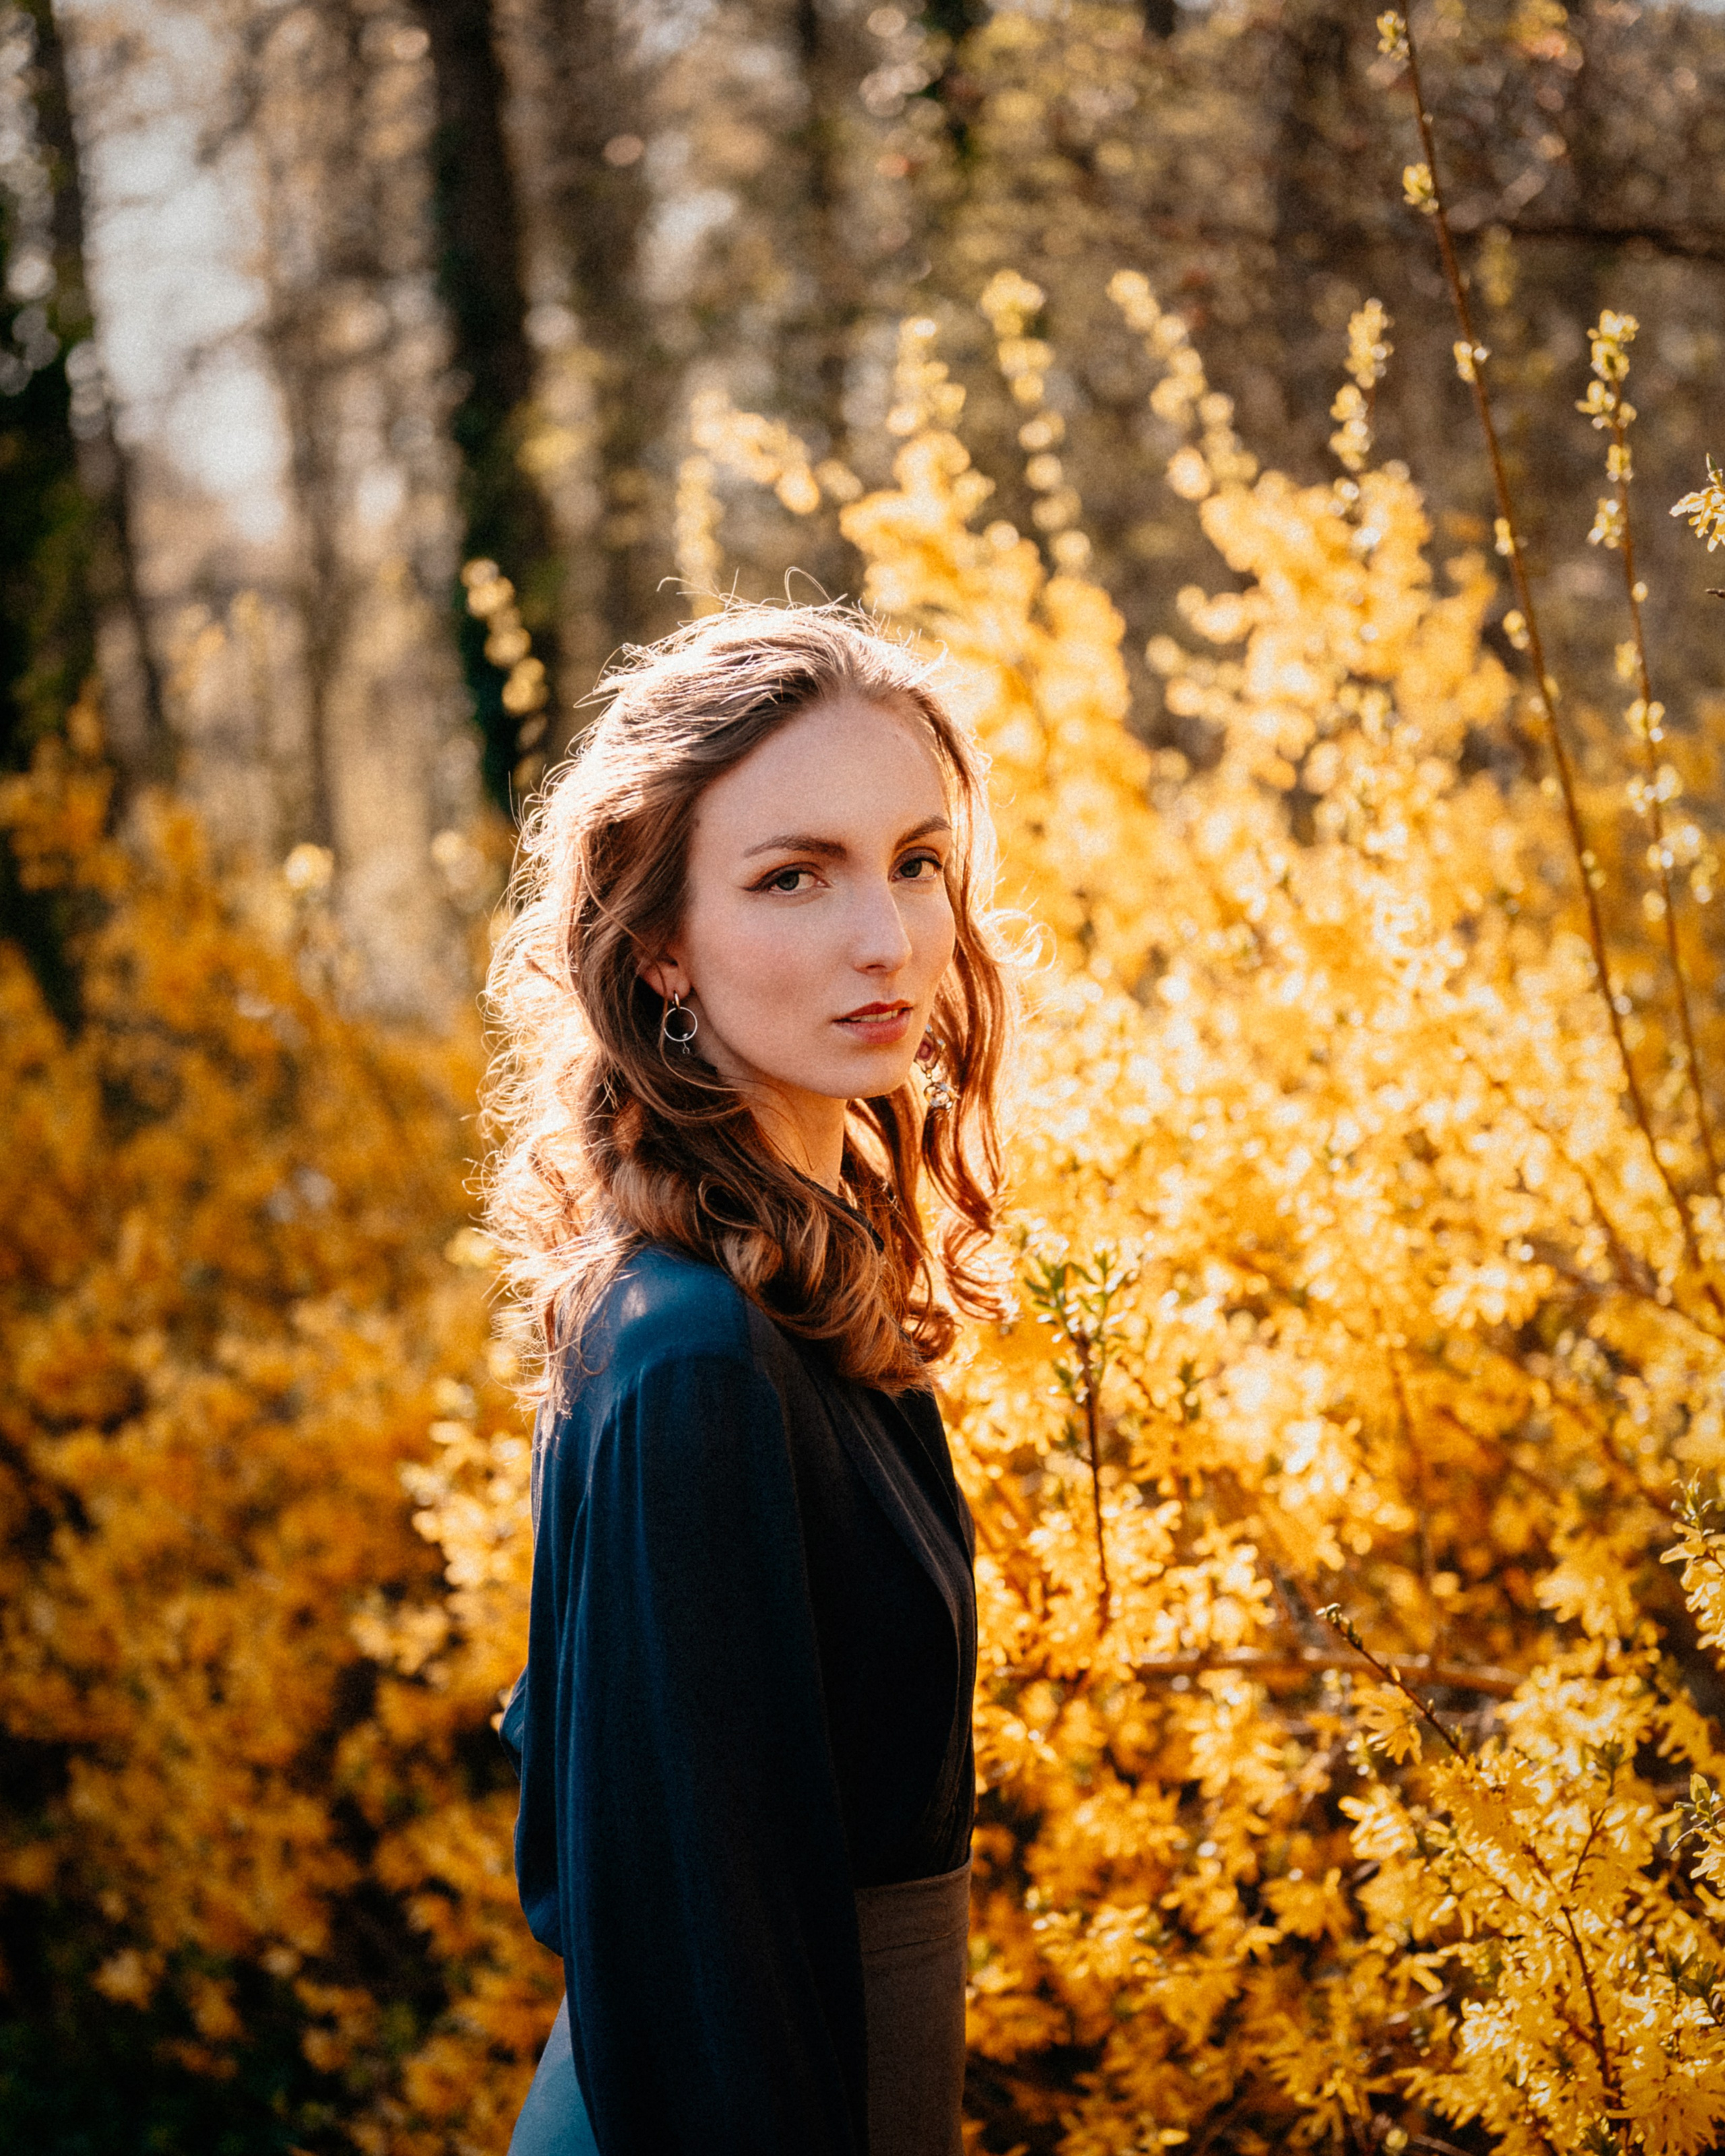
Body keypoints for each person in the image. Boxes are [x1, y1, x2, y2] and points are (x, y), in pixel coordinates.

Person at [484, 602, 1015, 2156]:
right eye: (794, 875)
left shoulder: (790, 1296)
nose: (887, 939)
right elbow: (690, 1948)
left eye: (914, 861)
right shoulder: (693, 1354)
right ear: (657, 942)